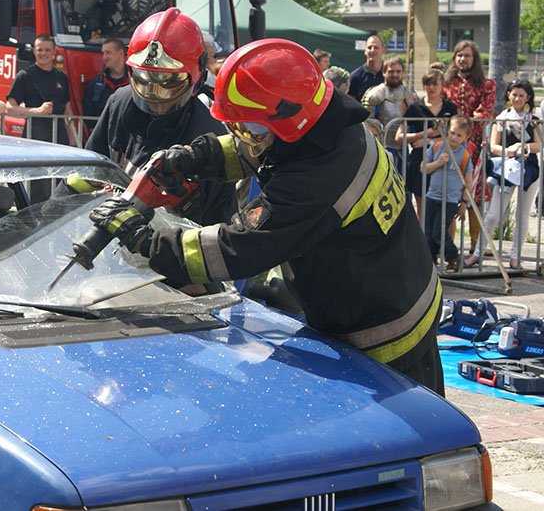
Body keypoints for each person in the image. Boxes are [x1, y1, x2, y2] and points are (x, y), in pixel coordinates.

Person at [89, 38, 446, 395]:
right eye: (237, 127)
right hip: (397, 290)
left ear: (291, 120)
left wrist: (144, 239)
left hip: (388, 333)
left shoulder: (318, 179)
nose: (242, 137)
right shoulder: (326, 123)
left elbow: (234, 247)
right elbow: (259, 147)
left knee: (385, 440)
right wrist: (195, 157)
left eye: (249, 129)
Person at [85, 8, 237, 226]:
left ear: (196, 76)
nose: (154, 97)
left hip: (168, 250)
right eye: (145, 80)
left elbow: (215, 232)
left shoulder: (209, 138)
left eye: (167, 83)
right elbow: (84, 176)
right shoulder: (119, 104)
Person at [464, 80, 542, 270]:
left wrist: (523, 146)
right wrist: (510, 151)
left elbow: (539, 145)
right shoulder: (502, 117)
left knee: (522, 215)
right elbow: (494, 146)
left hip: (529, 169)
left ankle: (515, 257)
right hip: (506, 168)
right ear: (508, 95)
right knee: (493, 215)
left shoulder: (533, 118)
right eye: (514, 94)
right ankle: (477, 254)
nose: (517, 98)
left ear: (528, 98)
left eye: (521, 95)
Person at [443, 40, 496, 254]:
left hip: (474, 146)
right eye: (459, 55)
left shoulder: (486, 84)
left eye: (467, 55)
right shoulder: (446, 83)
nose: (463, 59)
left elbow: (485, 112)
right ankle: (447, 246)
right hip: (448, 145)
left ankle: (476, 245)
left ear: (474, 59)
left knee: (475, 194)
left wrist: (467, 137)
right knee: (447, 194)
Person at [395, 66, 457, 218]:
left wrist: (429, 141)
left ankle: (443, 242)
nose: (431, 87)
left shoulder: (451, 108)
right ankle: (421, 241)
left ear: (442, 85)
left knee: (445, 208)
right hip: (419, 160)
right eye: (428, 84)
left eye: (435, 84)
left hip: (444, 159)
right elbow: (399, 136)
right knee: (422, 207)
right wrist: (423, 135)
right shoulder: (415, 108)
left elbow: (457, 136)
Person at [421, 115, 474, 272]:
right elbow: (423, 168)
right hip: (432, 196)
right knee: (429, 232)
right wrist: (438, 163)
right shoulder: (437, 147)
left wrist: (464, 203)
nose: (454, 137)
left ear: (466, 137)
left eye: (459, 135)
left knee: (439, 232)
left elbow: (468, 182)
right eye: (452, 133)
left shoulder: (464, 156)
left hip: (450, 200)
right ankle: (430, 260)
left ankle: (453, 257)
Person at [6, 34, 75, 146]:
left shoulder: (62, 77)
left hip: (60, 138)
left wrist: (72, 139)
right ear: (34, 51)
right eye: (39, 50)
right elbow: (9, 108)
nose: (43, 53)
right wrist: (37, 111)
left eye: (47, 50)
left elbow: (67, 110)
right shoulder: (24, 76)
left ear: (54, 51)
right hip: (34, 138)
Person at [361, 56, 418, 165]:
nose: (395, 75)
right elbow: (368, 124)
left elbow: (416, 123)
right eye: (391, 71)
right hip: (380, 147)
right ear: (384, 72)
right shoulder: (374, 95)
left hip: (403, 148)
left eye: (398, 71)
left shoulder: (409, 95)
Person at [81, 38, 128, 126]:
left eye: (108, 53)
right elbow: (88, 115)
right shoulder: (95, 84)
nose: (104, 57)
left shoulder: (135, 83)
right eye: (103, 53)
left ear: (121, 53)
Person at [348, 34, 385, 102]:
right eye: (369, 47)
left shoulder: (390, 75)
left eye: (376, 47)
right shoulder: (355, 76)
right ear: (365, 51)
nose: (372, 50)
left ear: (383, 50)